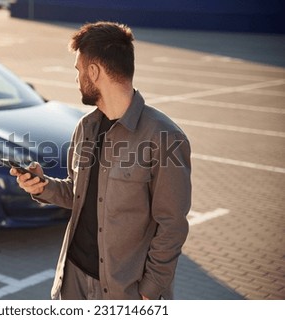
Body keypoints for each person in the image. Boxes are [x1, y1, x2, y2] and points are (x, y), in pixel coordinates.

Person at [10, 21, 192, 300]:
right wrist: (42, 186)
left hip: (124, 291)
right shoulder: (85, 127)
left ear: (94, 72)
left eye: (79, 70)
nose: (77, 78)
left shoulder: (164, 137)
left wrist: (151, 289)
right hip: (73, 281)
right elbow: (79, 193)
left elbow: (172, 224)